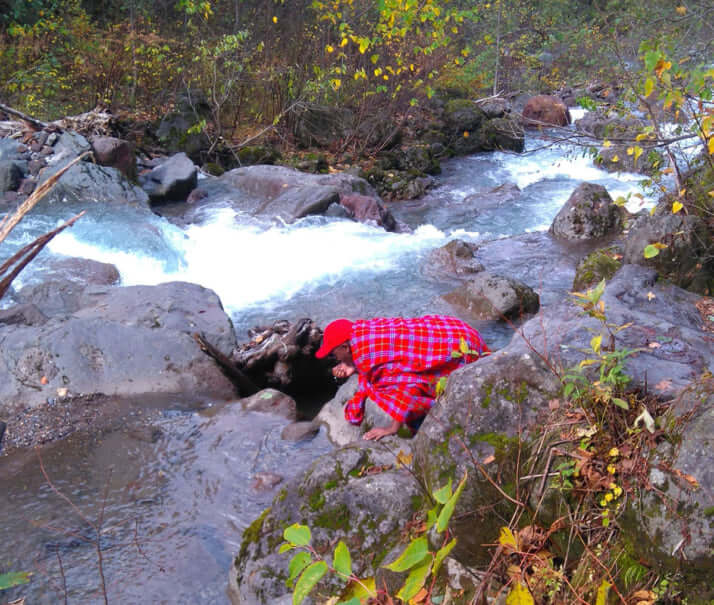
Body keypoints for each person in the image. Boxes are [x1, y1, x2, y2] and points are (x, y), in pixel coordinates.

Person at [315, 315, 489, 441]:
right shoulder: (365, 330)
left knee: (380, 389)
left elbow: (406, 391)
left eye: (333, 353)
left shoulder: (370, 358)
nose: (334, 358)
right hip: (460, 331)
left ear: (345, 347)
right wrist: (353, 366)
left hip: (465, 352)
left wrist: (391, 428)